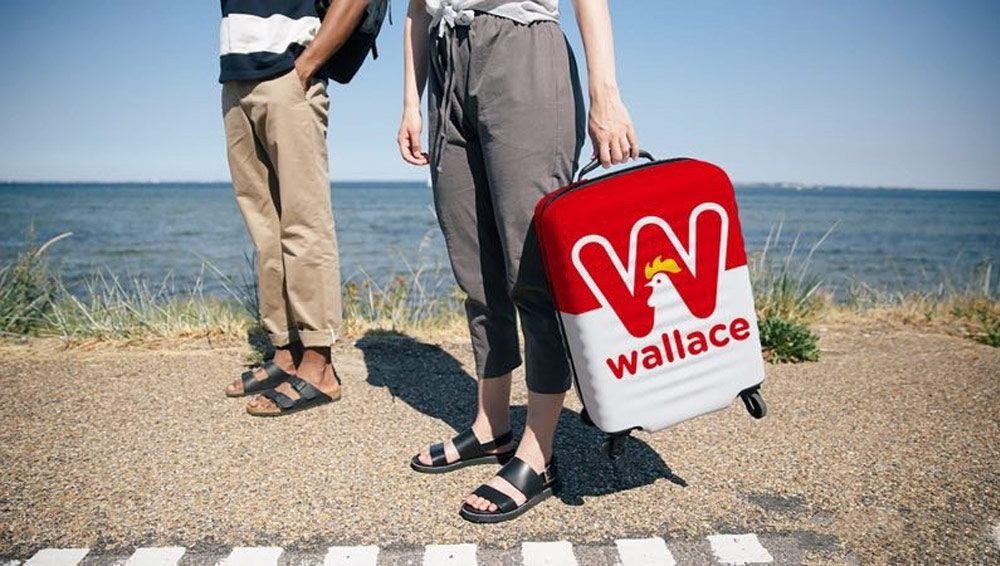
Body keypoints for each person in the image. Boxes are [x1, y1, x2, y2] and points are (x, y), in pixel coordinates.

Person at [397, 0, 638, 522]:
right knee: (475, 268)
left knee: (533, 272)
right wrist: (412, 102)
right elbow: (417, 9)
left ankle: (538, 452)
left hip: (521, 48)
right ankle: (491, 425)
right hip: (446, 61)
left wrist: (605, 95)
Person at [219, 0, 368, 416]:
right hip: (235, 77)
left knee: (305, 223)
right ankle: (285, 351)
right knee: (265, 230)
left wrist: (307, 65)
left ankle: (319, 366)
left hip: (289, 72)